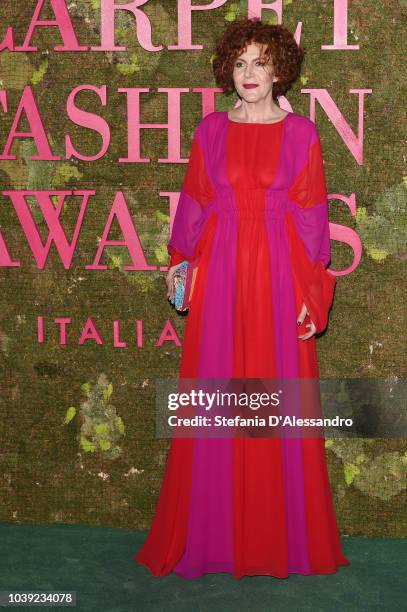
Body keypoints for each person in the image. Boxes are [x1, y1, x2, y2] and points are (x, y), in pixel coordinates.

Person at [135, 17, 351, 579]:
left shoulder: (302, 134)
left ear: (280, 69)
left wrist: (311, 291)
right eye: (239, 62)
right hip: (221, 277)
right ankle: (210, 537)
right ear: (228, 71)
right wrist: (180, 267)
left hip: (280, 279)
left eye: (260, 61)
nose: (249, 73)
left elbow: (310, 217)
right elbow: (196, 204)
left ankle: (276, 539)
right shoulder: (209, 130)